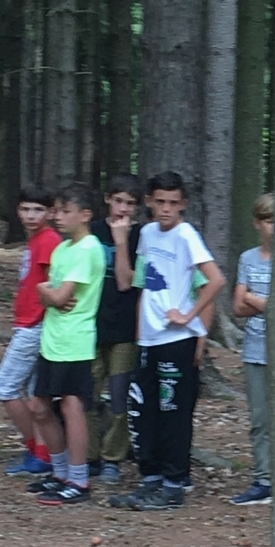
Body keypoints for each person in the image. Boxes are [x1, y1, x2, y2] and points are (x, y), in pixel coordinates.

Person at [109, 171, 226, 511]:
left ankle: (174, 485)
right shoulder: (147, 233)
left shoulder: (186, 235)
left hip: (177, 339)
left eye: (173, 203)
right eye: (160, 202)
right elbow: (140, 283)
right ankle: (151, 478)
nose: (166, 209)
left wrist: (190, 317)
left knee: (173, 411)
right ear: (149, 201)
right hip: (149, 338)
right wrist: (139, 334)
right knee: (144, 411)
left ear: (183, 204)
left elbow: (215, 280)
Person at [26, 183, 106, 505]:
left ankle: (79, 479)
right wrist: (46, 293)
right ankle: (60, 472)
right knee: (39, 407)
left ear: (85, 215)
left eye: (65, 211)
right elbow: (48, 293)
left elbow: (59, 296)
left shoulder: (88, 248)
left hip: (75, 340)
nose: (57, 217)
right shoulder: (63, 249)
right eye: (56, 211)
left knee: (72, 407)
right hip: (52, 339)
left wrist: (48, 293)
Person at [0, 185, 61, 476]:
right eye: (25, 209)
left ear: (50, 212)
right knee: (35, 393)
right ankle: (43, 455)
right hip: (28, 323)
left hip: (35, 325)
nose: (31, 215)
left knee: (5, 387)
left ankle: (35, 448)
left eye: (38, 209)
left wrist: (36, 319)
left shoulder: (48, 240)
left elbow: (52, 283)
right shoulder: (36, 240)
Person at [87, 173, 142, 485]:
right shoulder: (92, 231)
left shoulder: (142, 237)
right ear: (108, 199)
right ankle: (89, 454)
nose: (123, 209)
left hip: (125, 329)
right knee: (88, 393)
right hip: (90, 326)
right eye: (118, 201)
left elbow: (125, 282)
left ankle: (113, 457)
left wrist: (121, 242)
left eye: (130, 204)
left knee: (120, 396)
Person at [230, 194, 275, 506]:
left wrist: (253, 299)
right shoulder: (248, 259)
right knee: (259, 419)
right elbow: (237, 307)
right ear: (258, 224)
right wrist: (267, 304)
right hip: (255, 349)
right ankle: (263, 479)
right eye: (269, 221)